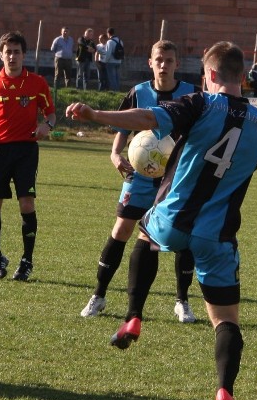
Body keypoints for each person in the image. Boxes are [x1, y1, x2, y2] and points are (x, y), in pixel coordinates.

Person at [66, 41, 257, 400]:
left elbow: (149, 119)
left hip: (171, 219)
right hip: (217, 237)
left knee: (145, 238)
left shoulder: (200, 103)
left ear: (212, 76)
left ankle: (134, 316)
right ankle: (224, 390)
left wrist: (95, 113)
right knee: (226, 320)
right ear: (243, 76)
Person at [81, 40, 200, 322]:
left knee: (181, 239)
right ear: (150, 62)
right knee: (122, 229)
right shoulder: (139, 93)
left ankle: (182, 301)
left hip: (175, 179)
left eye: (169, 60)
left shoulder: (192, 95)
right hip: (140, 175)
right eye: (159, 59)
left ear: (177, 64)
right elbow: (123, 126)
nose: (163, 65)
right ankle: (98, 295)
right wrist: (114, 154)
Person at [0, 31, 56, 282]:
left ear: (24, 55)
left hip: (26, 150)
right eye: (8, 52)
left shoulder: (37, 83)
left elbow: (51, 114)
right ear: (1, 55)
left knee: (26, 203)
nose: (12, 56)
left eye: (16, 52)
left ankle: (26, 260)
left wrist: (47, 127)